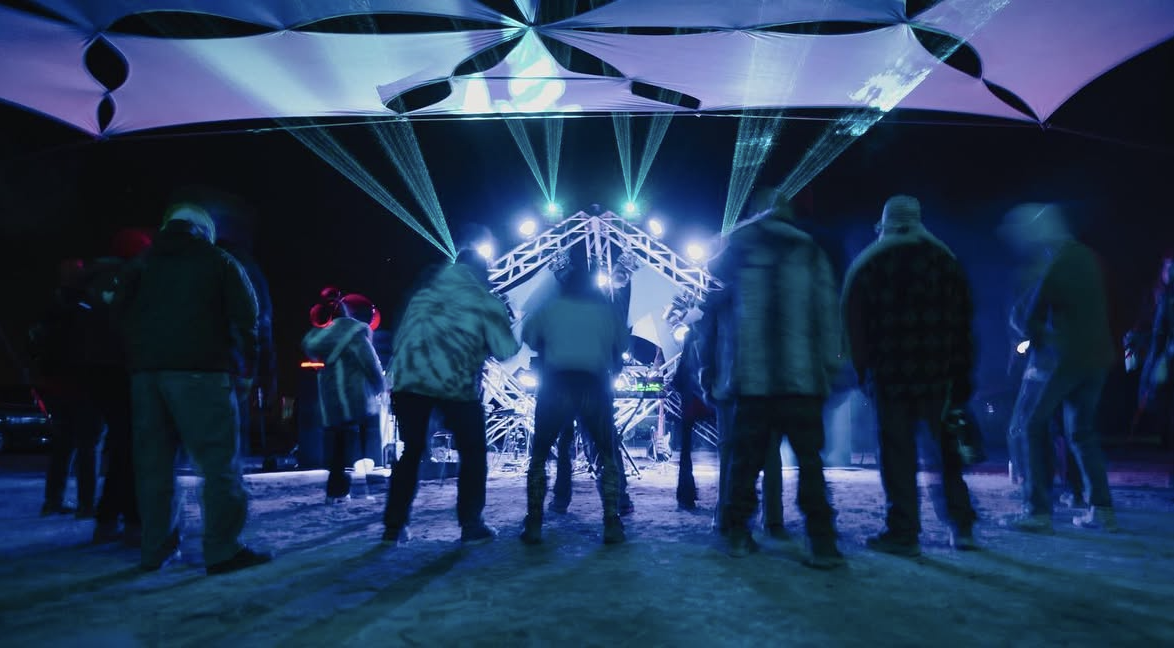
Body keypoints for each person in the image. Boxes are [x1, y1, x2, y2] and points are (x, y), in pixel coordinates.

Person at [113, 203, 271, 574]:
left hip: (146, 375)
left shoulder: (141, 263)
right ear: (204, 230)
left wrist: (140, 357)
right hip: (202, 373)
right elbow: (249, 319)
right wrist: (248, 369)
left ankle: (156, 550)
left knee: (154, 466)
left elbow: (117, 315)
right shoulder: (219, 261)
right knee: (218, 465)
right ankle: (222, 549)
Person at [710, 191, 844, 567]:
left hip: (753, 380)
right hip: (801, 379)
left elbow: (713, 279)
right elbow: (827, 314)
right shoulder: (811, 252)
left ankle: (737, 532)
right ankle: (822, 542)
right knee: (809, 462)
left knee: (746, 461)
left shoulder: (742, 248)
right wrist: (829, 368)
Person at [843, 195, 979, 556]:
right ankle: (960, 525)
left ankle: (903, 531)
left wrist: (863, 373)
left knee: (896, 456)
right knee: (945, 453)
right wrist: (962, 375)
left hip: (889, 378)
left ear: (884, 222)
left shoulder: (869, 264)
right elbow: (964, 324)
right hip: (940, 378)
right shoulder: (945, 261)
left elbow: (855, 327)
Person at [384, 247, 519, 546]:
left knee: (412, 452)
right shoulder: (484, 301)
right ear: (482, 271)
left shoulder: (423, 296)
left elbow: (401, 338)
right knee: (472, 452)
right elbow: (506, 350)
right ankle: (471, 523)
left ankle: (394, 526)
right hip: (454, 383)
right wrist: (510, 320)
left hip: (409, 381)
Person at [999, 203, 1118, 532]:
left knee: (1030, 425)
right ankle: (1101, 509)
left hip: (1062, 359)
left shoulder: (1058, 262)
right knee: (1081, 432)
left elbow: (1026, 314)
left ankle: (1037, 510)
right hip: (1097, 358)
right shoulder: (1087, 258)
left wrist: (1031, 337)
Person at [520, 247, 629, 545]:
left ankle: (534, 523)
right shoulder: (605, 310)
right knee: (607, 455)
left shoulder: (551, 307)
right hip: (593, 384)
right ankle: (611, 522)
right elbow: (622, 344)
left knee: (540, 456)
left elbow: (528, 337)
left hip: (556, 384)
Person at [302, 298, 387, 503]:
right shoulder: (355, 334)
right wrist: (380, 386)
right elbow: (370, 362)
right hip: (354, 398)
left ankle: (335, 492)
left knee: (338, 447)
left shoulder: (322, 337)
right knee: (358, 444)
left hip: (330, 400)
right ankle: (353, 491)